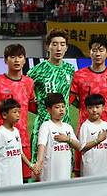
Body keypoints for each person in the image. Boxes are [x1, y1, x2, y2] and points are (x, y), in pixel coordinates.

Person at [71, 37, 107, 174]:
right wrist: (82, 108)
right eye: (94, 50)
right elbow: (70, 99)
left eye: (101, 50)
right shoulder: (79, 75)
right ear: (89, 52)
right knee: (81, 172)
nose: (97, 54)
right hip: (85, 131)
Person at [0, 43, 36, 181]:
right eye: (12, 57)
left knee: (23, 181)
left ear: (25, 60)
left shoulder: (29, 83)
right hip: (1, 141)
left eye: (20, 57)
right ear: (5, 60)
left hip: (22, 139)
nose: (17, 60)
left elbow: (32, 106)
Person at [28, 29, 75, 161]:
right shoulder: (37, 70)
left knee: (64, 165)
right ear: (47, 46)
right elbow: (23, 94)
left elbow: (73, 96)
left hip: (64, 125)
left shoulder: (70, 70)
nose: (58, 48)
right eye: (54, 44)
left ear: (66, 47)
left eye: (62, 44)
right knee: (40, 166)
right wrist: (38, 110)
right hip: (44, 125)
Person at [32, 93, 80, 182]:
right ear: (49, 110)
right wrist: (39, 163)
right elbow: (41, 146)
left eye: (63, 106)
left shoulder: (67, 127)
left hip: (65, 172)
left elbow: (78, 146)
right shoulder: (46, 126)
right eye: (57, 107)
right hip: (50, 174)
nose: (61, 110)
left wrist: (67, 139)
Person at [78, 93, 107, 177]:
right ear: (86, 109)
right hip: (90, 170)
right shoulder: (85, 126)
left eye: (97, 107)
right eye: (90, 108)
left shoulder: (105, 125)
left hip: (104, 169)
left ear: (103, 108)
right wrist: (97, 140)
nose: (94, 110)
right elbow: (82, 147)